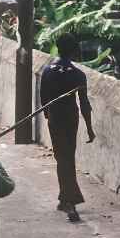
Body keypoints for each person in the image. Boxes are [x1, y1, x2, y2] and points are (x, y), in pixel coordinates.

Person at [39, 33, 95, 222]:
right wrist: (89, 127)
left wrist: (49, 116)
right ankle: (69, 201)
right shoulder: (78, 75)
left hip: (55, 119)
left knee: (61, 158)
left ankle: (66, 198)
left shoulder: (47, 71)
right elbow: (84, 104)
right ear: (73, 50)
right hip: (70, 120)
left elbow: (43, 99)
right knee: (67, 158)